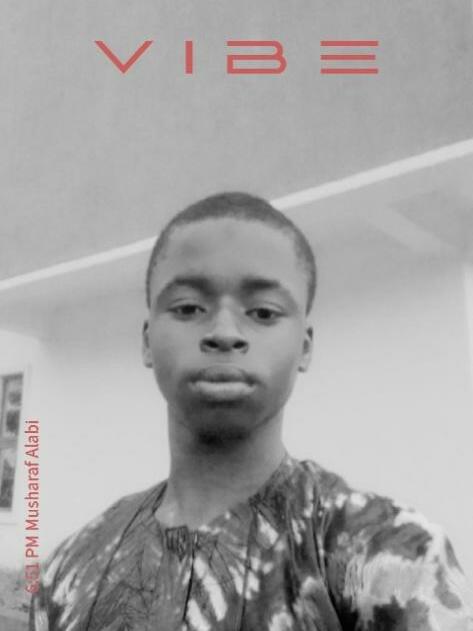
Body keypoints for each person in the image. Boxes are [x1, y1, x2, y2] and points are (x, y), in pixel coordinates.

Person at [30, 192, 473, 630]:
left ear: (305, 347)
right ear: (147, 340)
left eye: (262, 312)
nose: (224, 332)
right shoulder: (69, 572)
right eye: (188, 308)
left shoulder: (387, 555)